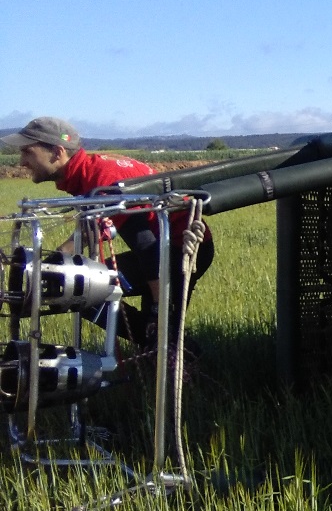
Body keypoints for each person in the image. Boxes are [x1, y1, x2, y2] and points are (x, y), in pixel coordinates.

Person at [2, 117, 215, 349]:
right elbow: (94, 226)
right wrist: (55, 261)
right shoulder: (86, 173)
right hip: (162, 249)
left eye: (27, 152)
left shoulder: (104, 180)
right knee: (74, 288)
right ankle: (157, 343)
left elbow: (146, 243)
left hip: (182, 250)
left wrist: (158, 306)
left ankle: (176, 350)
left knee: (82, 292)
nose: (22, 161)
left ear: (57, 152)